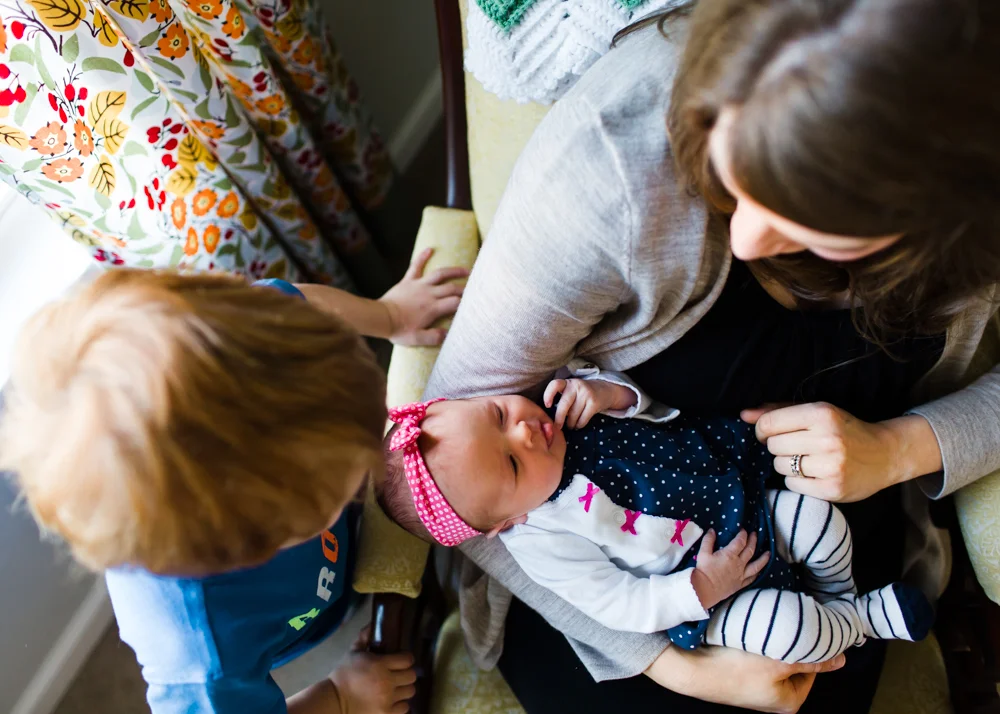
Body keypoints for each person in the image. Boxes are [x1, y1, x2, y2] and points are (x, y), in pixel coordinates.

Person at [422, 0, 1000, 711]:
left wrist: (901, 449)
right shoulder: (612, 163)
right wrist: (677, 666)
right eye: (733, 176)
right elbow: (444, 486)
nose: (748, 239)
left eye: (808, 219)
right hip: (622, 595)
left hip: (828, 545)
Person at [0, 249, 466, 714]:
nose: (369, 468)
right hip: (304, 620)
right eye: (338, 481)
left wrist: (389, 315)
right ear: (247, 546)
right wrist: (341, 697)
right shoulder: (202, 658)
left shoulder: (254, 336)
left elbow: (302, 301)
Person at [377, 377, 933, 664]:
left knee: (818, 521)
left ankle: (842, 591)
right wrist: (700, 589)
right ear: (506, 522)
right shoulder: (542, 541)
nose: (524, 431)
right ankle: (861, 621)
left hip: (733, 504)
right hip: (706, 591)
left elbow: (655, 410)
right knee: (791, 631)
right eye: (513, 464)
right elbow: (616, 603)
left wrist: (609, 391)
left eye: (498, 414)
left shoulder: (568, 407)